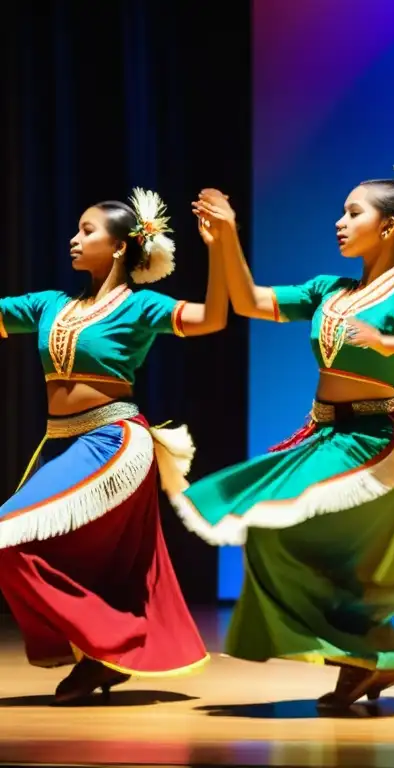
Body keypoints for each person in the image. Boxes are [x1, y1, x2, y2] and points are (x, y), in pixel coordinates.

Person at [175, 168, 394, 712]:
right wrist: (227, 238)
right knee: (277, 533)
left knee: (295, 537)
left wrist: (385, 339)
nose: (340, 221)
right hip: (324, 433)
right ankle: (376, 658)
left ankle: (364, 659)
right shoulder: (328, 290)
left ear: (388, 227)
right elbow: (248, 301)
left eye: (354, 212)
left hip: (373, 440)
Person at [0, 189, 228, 704]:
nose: (73, 239)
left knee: (8, 536)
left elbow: (213, 320)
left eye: (87, 231)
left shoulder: (142, 306)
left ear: (122, 247)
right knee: (33, 553)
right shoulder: (49, 305)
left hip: (112, 442)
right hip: (60, 446)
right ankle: (100, 652)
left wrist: (219, 248)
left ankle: (114, 642)